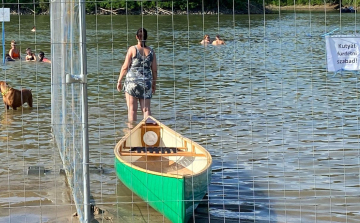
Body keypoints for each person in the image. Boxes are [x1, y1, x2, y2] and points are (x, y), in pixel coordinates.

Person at [117, 28, 157, 126]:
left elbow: (125, 67)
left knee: (132, 110)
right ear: (147, 38)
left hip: (132, 83)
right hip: (146, 82)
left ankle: (131, 130)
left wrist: (119, 81)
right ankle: (148, 130)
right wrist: (153, 84)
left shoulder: (132, 49)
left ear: (136, 37)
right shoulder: (151, 52)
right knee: (146, 109)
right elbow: (154, 70)